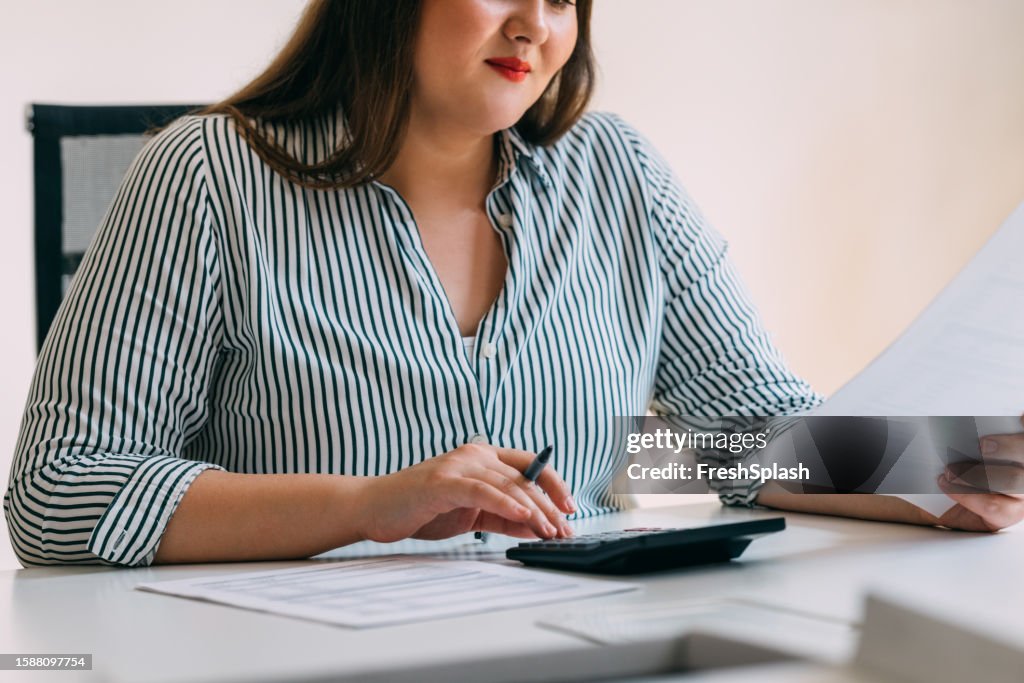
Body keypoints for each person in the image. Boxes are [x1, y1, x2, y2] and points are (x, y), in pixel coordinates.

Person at [5, 0, 1022, 568]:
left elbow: (713, 444)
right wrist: (373, 502)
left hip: (564, 641)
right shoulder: (206, 175)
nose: (537, 24)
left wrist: (930, 474)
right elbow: (59, 491)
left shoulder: (615, 172)